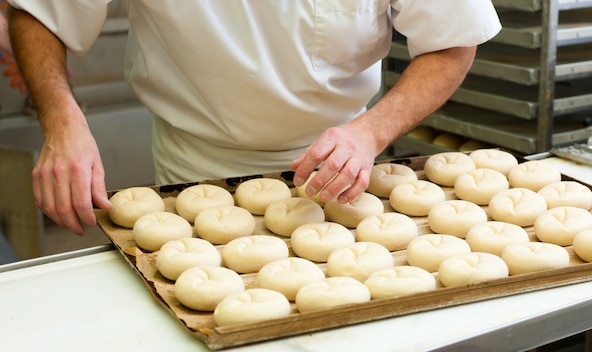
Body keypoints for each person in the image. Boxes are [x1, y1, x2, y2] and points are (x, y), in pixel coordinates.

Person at [7, 2, 501, 236]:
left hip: (347, 170)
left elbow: (453, 41)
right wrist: (62, 120)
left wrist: (369, 133)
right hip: (195, 176)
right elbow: (40, 12)